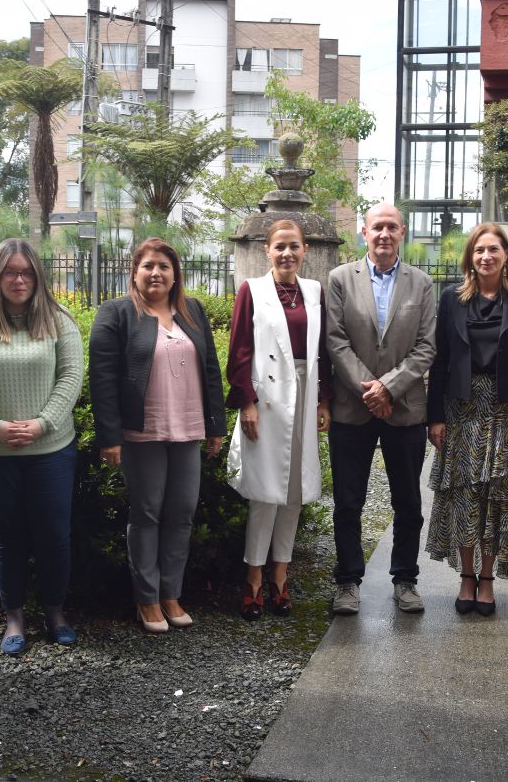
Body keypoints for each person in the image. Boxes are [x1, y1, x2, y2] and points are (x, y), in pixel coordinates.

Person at [89, 238, 226, 633]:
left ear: (175, 273)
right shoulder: (117, 313)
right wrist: (109, 436)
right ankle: (146, 599)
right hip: (141, 432)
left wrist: (215, 426)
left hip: (187, 429)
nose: (156, 273)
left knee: (181, 513)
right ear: (134, 271)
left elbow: (211, 370)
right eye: (148, 265)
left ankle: (171, 594)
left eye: (164, 266)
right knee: (147, 513)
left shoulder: (192, 311)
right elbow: (102, 379)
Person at [0, 239, 84, 652]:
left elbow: (71, 377)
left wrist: (42, 424)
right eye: (10, 271)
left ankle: (55, 611)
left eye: (27, 272)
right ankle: (14, 618)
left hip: (50, 451)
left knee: (54, 535)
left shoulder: (58, 319)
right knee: (7, 537)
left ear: (38, 276)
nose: (19, 279)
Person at [326, 202, 436, 615]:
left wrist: (388, 389)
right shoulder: (340, 278)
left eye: (392, 227)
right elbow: (335, 340)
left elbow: (427, 346)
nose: (384, 234)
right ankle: (348, 581)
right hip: (351, 409)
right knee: (348, 501)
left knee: (407, 501)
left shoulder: (421, 283)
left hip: (405, 407)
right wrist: (369, 390)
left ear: (402, 232)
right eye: (377, 227)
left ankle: (405, 580)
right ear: (364, 232)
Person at [425, 223, 508, 615]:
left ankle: (487, 579)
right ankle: (466, 576)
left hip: (504, 409)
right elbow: (440, 360)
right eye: (479, 250)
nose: (486, 256)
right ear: (470, 258)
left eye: (493, 249)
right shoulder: (452, 299)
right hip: (461, 409)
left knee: (497, 497)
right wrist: (434, 416)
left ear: (506, 254)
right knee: (463, 496)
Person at [226, 220, 332, 620]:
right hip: (267, 397)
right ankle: (253, 577)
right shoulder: (250, 290)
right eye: (280, 247)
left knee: (295, 491)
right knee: (265, 491)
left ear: (305, 250)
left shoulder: (314, 291)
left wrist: (324, 400)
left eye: (294, 247)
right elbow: (239, 351)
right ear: (266, 250)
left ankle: (281, 578)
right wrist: (246, 402)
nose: (287, 254)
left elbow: (322, 351)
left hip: (305, 392)